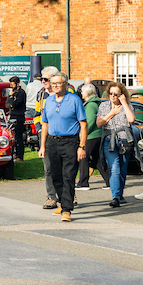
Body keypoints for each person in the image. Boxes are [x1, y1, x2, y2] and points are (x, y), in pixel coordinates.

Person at [39, 72, 87, 222]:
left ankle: (66, 209)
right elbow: (45, 124)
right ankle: (61, 202)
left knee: (69, 175)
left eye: (58, 83)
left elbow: (83, 124)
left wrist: (82, 146)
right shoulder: (49, 101)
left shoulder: (74, 100)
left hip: (70, 142)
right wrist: (42, 146)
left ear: (65, 84)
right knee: (55, 175)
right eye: (53, 84)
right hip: (52, 142)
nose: (55, 86)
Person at [96, 82, 137, 208]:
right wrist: (112, 113)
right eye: (110, 93)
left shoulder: (127, 105)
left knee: (123, 170)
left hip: (125, 141)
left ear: (121, 95)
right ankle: (115, 197)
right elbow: (99, 123)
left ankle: (119, 194)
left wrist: (124, 103)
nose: (112, 96)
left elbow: (131, 120)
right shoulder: (104, 106)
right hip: (110, 140)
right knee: (115, 169)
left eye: (116, 94)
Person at [33, 67, 62, 209]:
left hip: (63, 135)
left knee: (64, 167)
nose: (43, 82)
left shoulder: (67, 93)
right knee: (48, 167)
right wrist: (39, 130)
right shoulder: (41, 94)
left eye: (46, 79)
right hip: (46, 135)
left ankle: (68, 194)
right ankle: (51, 197)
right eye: (42, 79)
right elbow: (37, 114)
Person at [78, 83, 101, 190]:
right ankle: (109, 180)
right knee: (97, 159)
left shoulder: (90, 105)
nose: (81, 93)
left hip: (91, 135)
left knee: (83, 157)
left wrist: (83, 134)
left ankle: (83, 183)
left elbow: (90, 122)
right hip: (97, 134)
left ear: (87, 93)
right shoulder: (94, 103)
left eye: (82, 91)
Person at [7, 76, 28, 166]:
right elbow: (8, 104)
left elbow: (15, 104)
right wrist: (11, 98)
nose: (11, 86)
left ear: (17, 84)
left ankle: (20, 155)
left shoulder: (21, 93)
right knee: (12, 136)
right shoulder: (12, 92)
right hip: (12, 115)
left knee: (19, 136)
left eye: (12, 84)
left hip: (19, 116)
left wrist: (11, 100)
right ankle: (14, 154)